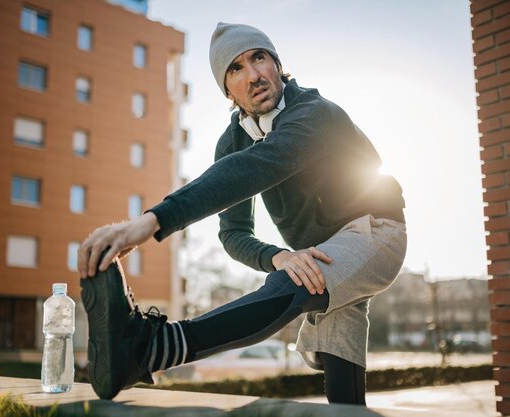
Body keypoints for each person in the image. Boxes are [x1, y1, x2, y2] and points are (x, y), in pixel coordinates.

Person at [78, 22, 407, 405]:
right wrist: (277, 256)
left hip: (377, 233)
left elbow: (256, 168)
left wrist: (152, 220)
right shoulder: (232, 141)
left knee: (296, 285)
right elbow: (233, 233)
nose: (253, 75)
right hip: (323, 250)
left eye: (259, 58)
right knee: (342, 364)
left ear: (277, 65)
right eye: (236, 69)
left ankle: (156, 347)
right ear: (227, 89)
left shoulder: (315, 113)